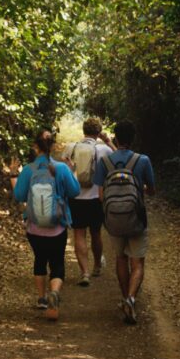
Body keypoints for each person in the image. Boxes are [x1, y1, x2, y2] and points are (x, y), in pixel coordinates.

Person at [12, 128, 80, 320]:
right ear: (53, 146)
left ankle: (42, 298)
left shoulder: (28, 170)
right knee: (57, 262)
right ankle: (55, 293)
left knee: (40, 260)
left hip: (34, 228)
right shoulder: (62, 169)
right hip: (57, 227)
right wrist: (72, 172)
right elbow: (74, 192)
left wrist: (12, 174)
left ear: (35, 146)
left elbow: (18, 196)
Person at [93, 120, 155, 325]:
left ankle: (124, 297)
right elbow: (152, 190)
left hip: (114, 221)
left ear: (116, 138)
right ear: (133, 138)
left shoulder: (105, 162)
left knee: (120, 258)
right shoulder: (143, 160)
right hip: (137, 219)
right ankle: (131, 298)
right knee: (137, 262)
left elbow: (101, 196)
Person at [60, 118, 114, 286]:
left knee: (79, 234)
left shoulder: (71, 147)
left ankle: (84, 273)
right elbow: (120, 158)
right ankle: (97, 265)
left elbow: (65, 169)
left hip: (75, 197)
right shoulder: (104, 150)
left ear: (83, 131)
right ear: (98, 133)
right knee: (96, 233)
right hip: (96, 198)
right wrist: (108, 141)